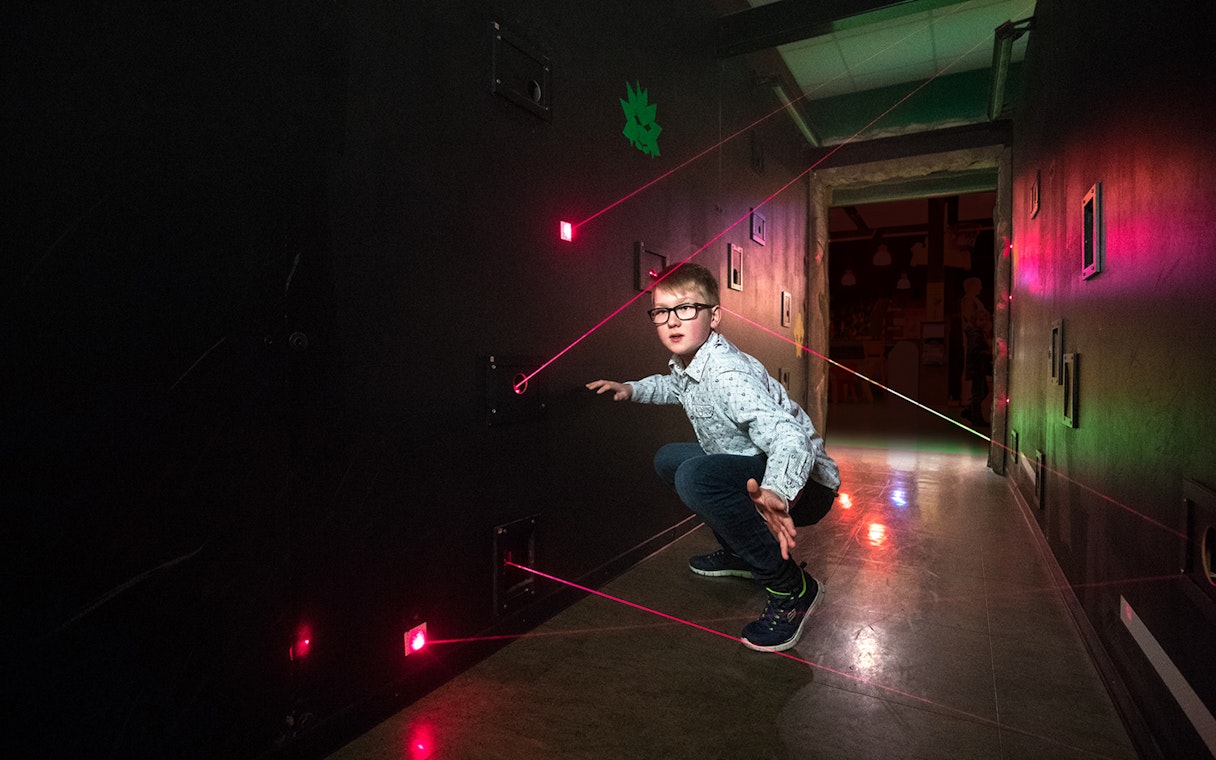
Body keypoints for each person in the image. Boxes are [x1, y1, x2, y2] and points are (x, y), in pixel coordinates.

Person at [587, 262, 840, 652]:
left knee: (695, 477)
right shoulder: (691, 364)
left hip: (805, 484)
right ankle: (742, 551)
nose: (672, 321)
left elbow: (789, 436)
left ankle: (792, 589)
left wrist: (777, 489)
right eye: (661, 312)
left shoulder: (726, 373)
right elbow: (673, 387)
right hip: (755, 467)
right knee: (670, 459)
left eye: (686, 309)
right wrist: (631, 389)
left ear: (714, 316)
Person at [960, 277, 993, 425]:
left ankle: (971, 412)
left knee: (979, 391)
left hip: (977, 364)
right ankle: (975, 415)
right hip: (977, 365)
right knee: (977, 392)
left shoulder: (970, 301)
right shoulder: (970, 302)